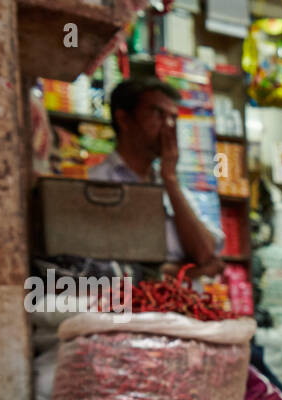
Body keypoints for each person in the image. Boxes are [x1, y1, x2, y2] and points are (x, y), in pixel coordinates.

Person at [89, 77, 224, 275]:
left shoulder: (170, 184)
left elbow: (206, 254)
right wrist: (184, 271)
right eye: (158, 114)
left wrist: (170, 180)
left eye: (173, 118)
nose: (168, 126)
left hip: (181, 303)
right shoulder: (97, 182)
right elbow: (104, 268)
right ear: (124, 119)